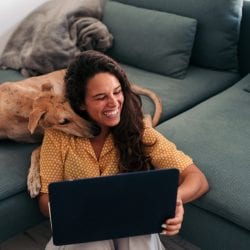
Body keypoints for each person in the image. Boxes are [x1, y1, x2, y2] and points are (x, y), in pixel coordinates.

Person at [38, 50, 209, 250]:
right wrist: (79, 207)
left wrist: (173, 201)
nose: (114, 103)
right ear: (81, 104)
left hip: (131, 226)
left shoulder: (139, 130)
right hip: (83, 228)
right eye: (101, 97)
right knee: (93, 241)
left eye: (117, 92)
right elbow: (44, 202)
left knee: (139, 237)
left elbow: (197, 179)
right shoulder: (58, 136)